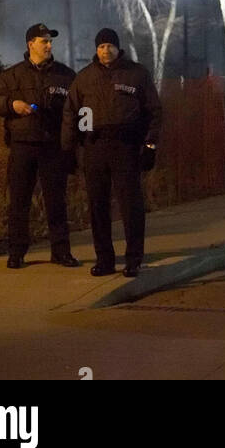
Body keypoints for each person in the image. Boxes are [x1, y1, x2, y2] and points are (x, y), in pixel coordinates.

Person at [62, 29, 161, 278]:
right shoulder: (84, 78)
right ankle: (104, 260)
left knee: (131, 206)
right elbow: (70, 114)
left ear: (118, 48)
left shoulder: (137, 74)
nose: (106, 51)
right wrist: (68, 149)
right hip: (94, 148)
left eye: (110, 46)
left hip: (125, 147)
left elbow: (154, 112)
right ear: (96, 50)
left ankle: (133, 259)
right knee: (97, 207)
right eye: (101, 46)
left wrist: (150, 146)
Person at [0, 24, 81, 270]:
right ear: (31, 44)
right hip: (22, 146)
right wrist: (12, 104)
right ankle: (17, 253)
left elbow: (78, 107)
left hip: (53, 146)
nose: (49, 46)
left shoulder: (66, 75)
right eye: (44, 41)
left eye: (50, 41)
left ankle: (61, 252)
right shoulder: (12, 75)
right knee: (19, 201)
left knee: (56, 201)